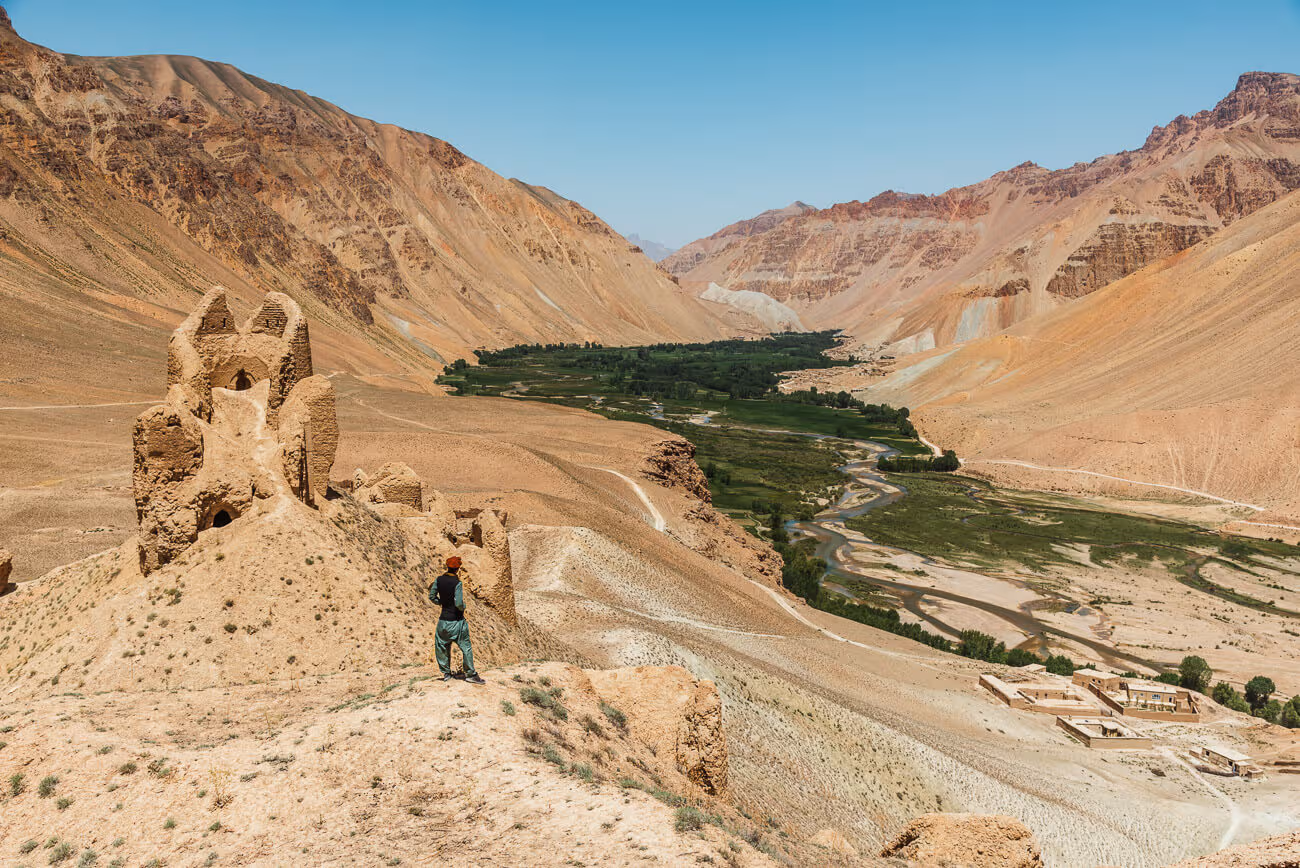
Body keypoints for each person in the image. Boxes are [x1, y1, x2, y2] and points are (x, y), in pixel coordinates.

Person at [430, 556, 484, 684]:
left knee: (442, 645)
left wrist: (440, 603)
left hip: (443, 621)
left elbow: (432, 596)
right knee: (466, 647)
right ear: (458, 569)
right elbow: (459, 603)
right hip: (457, 621)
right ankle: (471, 674)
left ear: (447, 566)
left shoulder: (439, 580)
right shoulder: (457, 583)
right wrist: (463, 607)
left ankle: (446, 673)